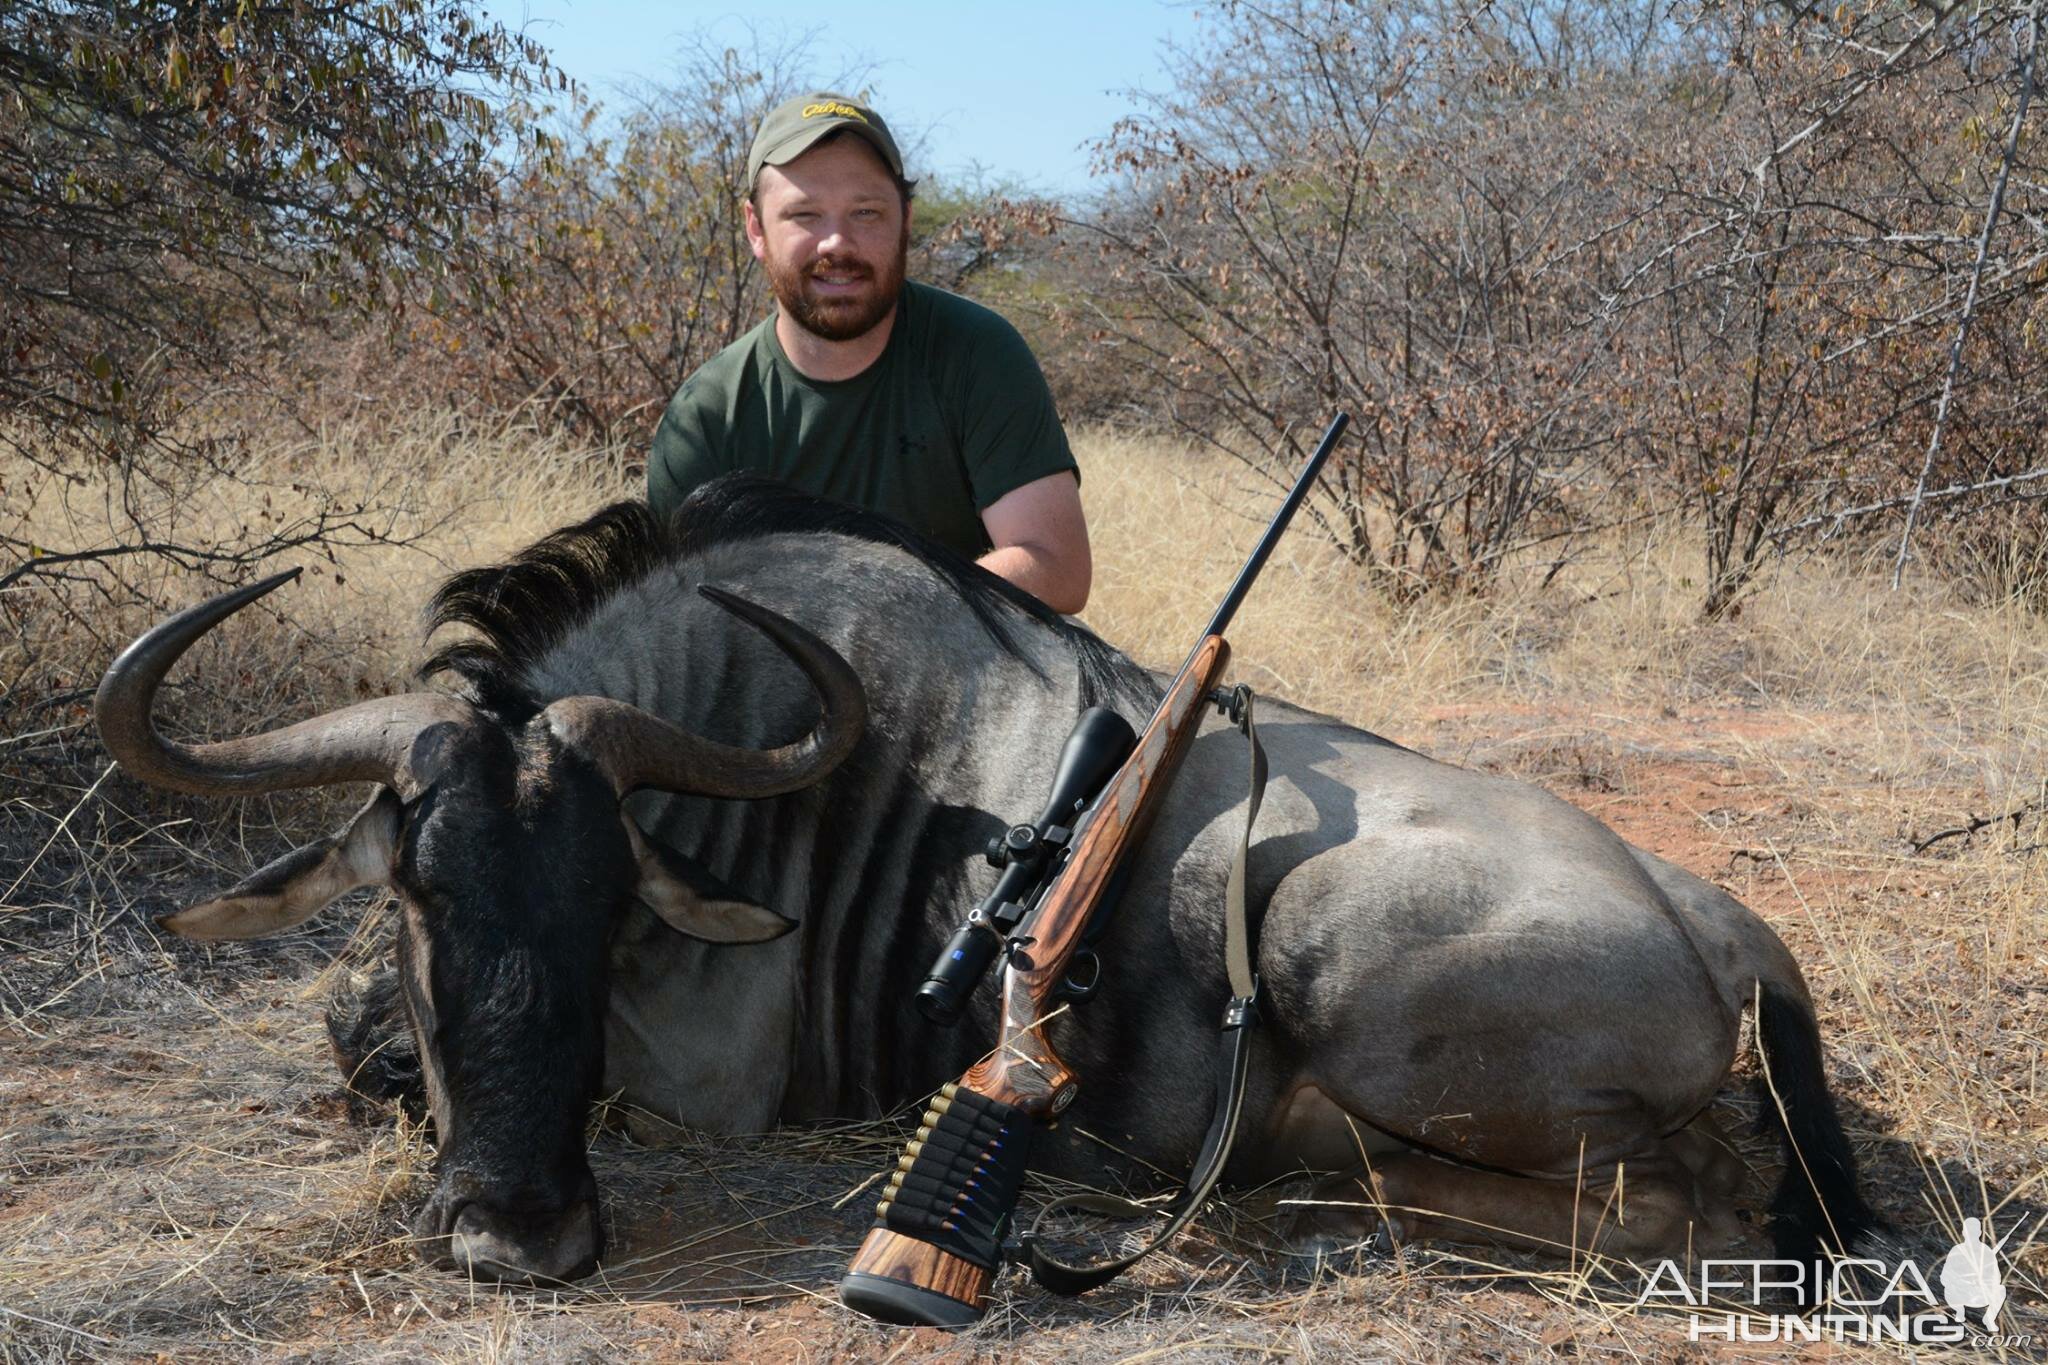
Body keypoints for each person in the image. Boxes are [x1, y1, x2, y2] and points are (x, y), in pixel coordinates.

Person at [646, 92, 1091, 615]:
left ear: (905, 218)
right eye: (804, 214)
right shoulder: (704, 418)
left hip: (968, 677)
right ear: (756, 229)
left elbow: (1056, 568)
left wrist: (871, 612)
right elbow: (681, 624)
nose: (837, 242)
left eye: (866, 212)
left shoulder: (979, 352)